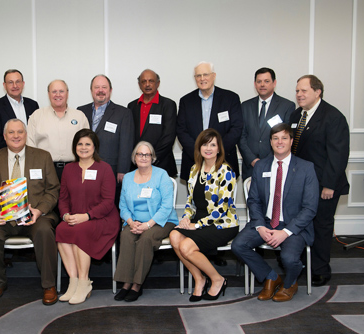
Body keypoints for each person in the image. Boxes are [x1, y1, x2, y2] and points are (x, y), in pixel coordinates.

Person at [232, 123, 319, 301]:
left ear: (291, 141)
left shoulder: (306, 168)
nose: (280, 142)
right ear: (270, 142)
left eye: (284, 138)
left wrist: (285, 232)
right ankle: (271, 277)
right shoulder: (261, 166)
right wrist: (259, 226)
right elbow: (253, 200)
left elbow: (310, 208)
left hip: (293, 225)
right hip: (265, 221)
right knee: (238, 245)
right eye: (275, 138)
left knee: (289, 258)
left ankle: (289, 284)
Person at [0, 119, 60, 305]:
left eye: (20, 132)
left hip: (35, 216)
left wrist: (39, 210)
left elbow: (53, 189)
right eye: (11, 132)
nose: (16, 136)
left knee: (44, 231)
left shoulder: (42, 157)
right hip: (4, 216)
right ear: (4, 136)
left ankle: (49, 285)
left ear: (26, 135)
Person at [289, 75, 350, 287]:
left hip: (325, 185)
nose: (299, 95)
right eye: (297, 91)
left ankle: (321, 270)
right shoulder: (297, 115)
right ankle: (304, 264)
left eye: (304, 91)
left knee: (322, 227)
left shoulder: (333, 117)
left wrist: (329, 185)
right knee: (303, 225)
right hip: (302, 184)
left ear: (318, 92)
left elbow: (338, 155)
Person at [170, 128, 239, 302]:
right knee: (174, 236)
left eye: (213, 145)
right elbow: (190, 202)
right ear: (199, 147)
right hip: (198, 220)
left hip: (222, 223)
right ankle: (199, 279)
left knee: (186, 247)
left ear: (219, 149)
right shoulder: (194, 169)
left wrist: (197, 225)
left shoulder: (226, 171)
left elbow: (221, 209)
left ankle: (217, 279)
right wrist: (186, 217)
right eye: (205, 144)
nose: (208, 148)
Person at [56, 129, 120, 304]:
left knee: (80, 231)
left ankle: (84, 282)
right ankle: (73, 280)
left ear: (95, 147)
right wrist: (65, 215)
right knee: (61, 229)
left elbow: (108, 202)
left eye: (87, 144)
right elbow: (63, 198)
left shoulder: (105, 168)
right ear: (74, 147)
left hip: (102, 218)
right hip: (75, 217)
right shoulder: (68, 169)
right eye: (80, 144)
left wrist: (87, 216)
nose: (83, 148)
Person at [113, 141, 178, 302]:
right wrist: (130, 222)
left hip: (161, 221)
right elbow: (122, 205)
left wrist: (148, 224)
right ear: (134, 157)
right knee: (126, 236)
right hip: (134, 221)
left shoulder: (162, 175)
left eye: (147, 154)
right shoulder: (128, 178)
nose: (143, 157)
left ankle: (137, 284)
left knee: (146, 239)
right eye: (140, 154)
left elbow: (166, 206)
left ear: (152, 157)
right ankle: (126, 282)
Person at [177, 61, 243, 181]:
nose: (202, 78)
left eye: (206, 74)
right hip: (194, 163)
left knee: (223, 199)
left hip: (224, 162)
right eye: (198, 75)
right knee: (195, 199)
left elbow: (236, 128)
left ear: (214, 75)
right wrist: (198, 153)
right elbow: (181, 130)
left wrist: (217, 151)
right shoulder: (186, 101)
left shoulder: (230, 98)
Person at [239, 67, 295, 180]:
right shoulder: (245, 106)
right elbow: (241, 136)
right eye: (259, 81)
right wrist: (252, 160)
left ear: (274, 83)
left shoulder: (287, 106)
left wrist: (268, 161)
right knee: (252, 197)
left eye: (266, 81)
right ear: (255, 84)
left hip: (276, 164)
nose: (262, 85)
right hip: (250, 166)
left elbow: (286, 138)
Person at [27, 79, 89, 180]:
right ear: (48, 94)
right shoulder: (37, 116)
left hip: (74, 169)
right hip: (45, 170)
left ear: (67, 93)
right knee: (49, 196)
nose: (58, 95)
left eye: (61, 91)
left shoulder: (79, 116)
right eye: (54, 91)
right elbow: (30, 147)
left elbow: (88, 146)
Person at [77, 75, 134, 185]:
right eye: (97, 87)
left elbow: (126, 144)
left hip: (111, 169)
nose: (100, 91)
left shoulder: (123, 113)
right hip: (85, 167)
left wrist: (122, 170)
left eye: (104, 87)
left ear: (110, 90)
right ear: (91, 90)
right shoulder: (81, 111)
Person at [127, 69, 177, 177]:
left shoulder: (168, 105)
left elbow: (168, 137)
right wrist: (139, 160)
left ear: (158, 83)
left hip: (161, 164)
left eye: (151, 81)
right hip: (137, 166)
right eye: (144, 81)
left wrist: (151, 159)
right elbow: (130, 136)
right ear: (139, 85)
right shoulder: (131, 106)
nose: (147, 84)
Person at [0, 69, 39, 151]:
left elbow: (37, 133)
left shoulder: (33, 105)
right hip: (6, 157)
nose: (15, 86)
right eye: (10, 82)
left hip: (31, 155)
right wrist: (17, 152)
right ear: (4, 85)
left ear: (23, 84)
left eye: (18, 82)